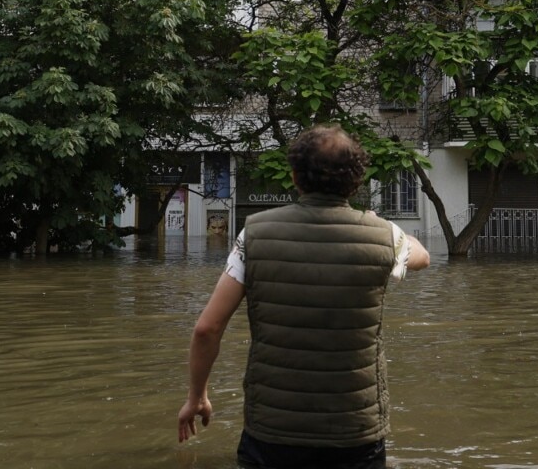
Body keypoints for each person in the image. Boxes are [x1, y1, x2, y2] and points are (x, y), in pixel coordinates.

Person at [177, 125, 430, 469]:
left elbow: (207, 328)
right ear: (356, 181)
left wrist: (197, 397)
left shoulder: (254, 233)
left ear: (295, 176)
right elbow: (422, 256)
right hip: (355, 430)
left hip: (272, 431)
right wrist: (381, 225)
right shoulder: (385, 237)